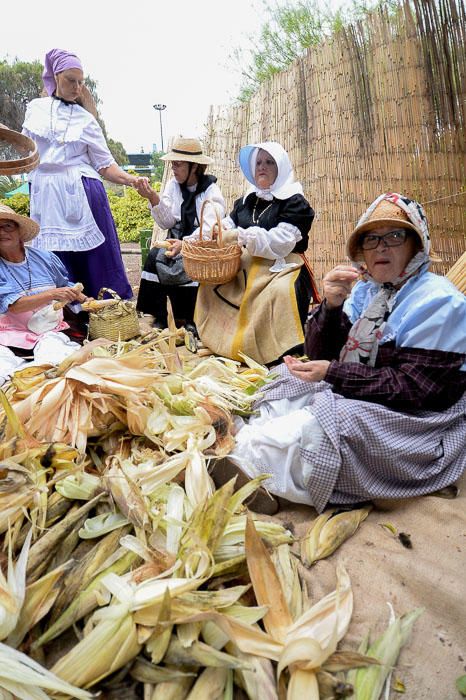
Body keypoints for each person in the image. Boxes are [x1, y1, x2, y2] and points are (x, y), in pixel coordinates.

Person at [212, 193, 466, 513]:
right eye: (372, 239)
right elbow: (322, 353)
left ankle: (255, 470)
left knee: (332, 424)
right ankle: (244, 448)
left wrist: (333, 373)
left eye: (395, 236)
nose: (381, 247)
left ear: (417, 245)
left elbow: (416, 389)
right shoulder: (366, 290)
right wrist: (330, 307)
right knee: (284, 377)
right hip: (367, 388)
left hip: (417, 416)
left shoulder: (437, 302)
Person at [21, 48, 141, 300]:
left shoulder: (85, 119)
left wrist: (131, 179)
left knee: (97, 258)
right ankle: (62, 316)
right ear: (55, 77)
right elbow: (27, 151)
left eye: (81, 82)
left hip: (82, 190)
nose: (77, 88)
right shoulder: (35, 109)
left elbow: (104, 163)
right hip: (46, 193)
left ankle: (107, 312)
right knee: (52, 257)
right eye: (70, 81)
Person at [189, 141, 318, 365]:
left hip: (282, 266)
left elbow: (283, 242)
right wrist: (200, 237)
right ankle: (222, 339)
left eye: (269, 162)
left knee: (278, 293)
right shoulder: (247, 200)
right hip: (245, 265)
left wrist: (246, 235)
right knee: (213, 283)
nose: (262, 167)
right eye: (258, 162)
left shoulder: (295, 202)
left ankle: (275, 349)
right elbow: (227, 224)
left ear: (281, 168)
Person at [134, 137, 225, 331]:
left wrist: (186, 244)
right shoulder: (172, 185)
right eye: (172, 164)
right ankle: (160, 314)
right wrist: (152, 197)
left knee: (190, 263)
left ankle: (190, 317)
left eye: (178, 164)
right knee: (154, 257)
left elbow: (209, 227)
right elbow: (166, 222)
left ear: (194, 166)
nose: (174, 169)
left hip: (199, 242)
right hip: (174, 236)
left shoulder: (211, 191)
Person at [0, 204, 88, 385]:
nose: (1, 232)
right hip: (10, 334)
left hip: (51, 329)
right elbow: (14, 306)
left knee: (53, 362)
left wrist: (85, 300)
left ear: (19, 232)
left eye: (7, 226)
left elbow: (65, 286)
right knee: (5, 373)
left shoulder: (45, 258)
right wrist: (52, 294)